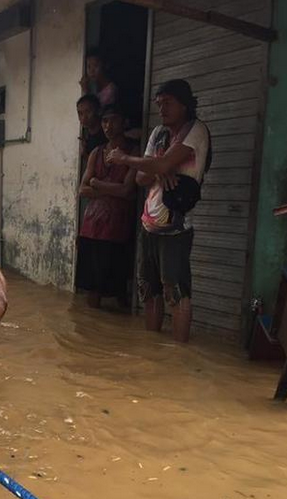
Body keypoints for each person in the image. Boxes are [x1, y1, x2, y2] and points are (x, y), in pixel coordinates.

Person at [107, 79, 211, 343]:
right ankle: (153, 351)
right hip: (149, 222)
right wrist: (160, 170)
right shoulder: (158, 134)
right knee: (149, 291)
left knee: (175, 292)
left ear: (185, 104)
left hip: (177, 225)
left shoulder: (195, 131)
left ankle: (178, 356)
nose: (162, 109)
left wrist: (127, 158)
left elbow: (158, 164)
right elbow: (142, 178)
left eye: (168, 103)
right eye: (159, 104)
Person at [77, 105, 137, 309]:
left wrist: (98, 184)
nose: (108, 126)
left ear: (123, 122)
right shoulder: (97, 152)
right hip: (91, 227)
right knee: (92, 289)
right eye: (104, 121)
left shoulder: (133, 151)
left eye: (113, 120)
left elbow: (128, 191)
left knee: (119, 289)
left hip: (116, 230)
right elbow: (83, 189)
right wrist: (112, 189)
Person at [77, 94, 107, 164]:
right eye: (80, 114)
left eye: (88, 112)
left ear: (98, 111)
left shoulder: (107, 134)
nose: (84, 118)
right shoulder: (86, 136)